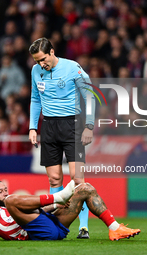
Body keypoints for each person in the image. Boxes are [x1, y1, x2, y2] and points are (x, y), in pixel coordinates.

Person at [28, 37, 96, 238]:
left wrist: (89, 125)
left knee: (77, 179)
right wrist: (33, 127)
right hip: (48, 126)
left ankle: (83, 227)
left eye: (43, 59)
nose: (41, 64)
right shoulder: (36, 71)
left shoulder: (72, 67)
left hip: (72, 124)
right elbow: (34, 98)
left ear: (51, 52)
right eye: (37, 61)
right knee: (55, 178)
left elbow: (90, 95)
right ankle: (58, 225)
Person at [0, 180, 140, 241]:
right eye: (0, 192)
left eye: (5, 189)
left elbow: (36, 211)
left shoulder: (13, 201)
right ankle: (58, 196)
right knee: (12, 200)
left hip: (54, 224)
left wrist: (55, 207)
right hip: (36, 232)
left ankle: (114, 228)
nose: (4, 193)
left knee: (85, 188)